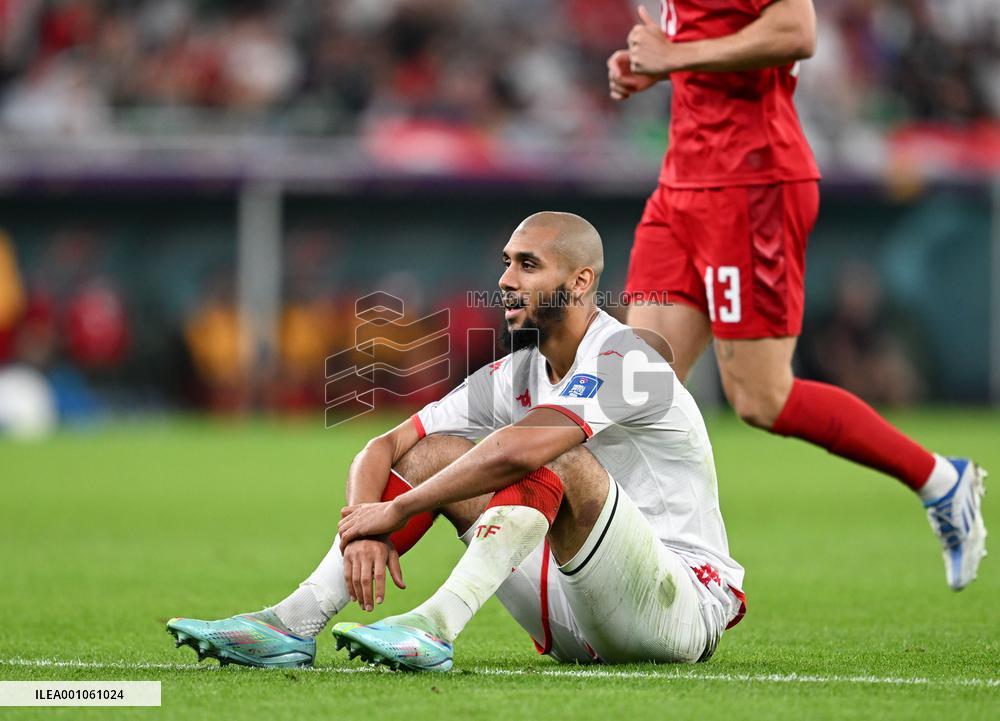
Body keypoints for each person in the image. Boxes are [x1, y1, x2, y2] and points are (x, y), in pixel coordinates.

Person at [167, 212, 745, 670]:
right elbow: (383, 448)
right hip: (575, 610)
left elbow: (522, 451)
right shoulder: (516, 374)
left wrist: (399, 509)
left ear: (581, 281)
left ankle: (434, 627)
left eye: (527, 265)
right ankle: (291, 623)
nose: (505, 280)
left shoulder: (633, 360)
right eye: (505, 263)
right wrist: (368, 526)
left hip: (678, 606)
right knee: (432, 450)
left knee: (553, 451)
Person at [607, 1, 986, 590]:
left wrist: (676, 56)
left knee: (762, 398)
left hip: (753, 185)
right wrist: (654, 67)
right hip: (681, 184)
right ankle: (655, 572)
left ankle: (940, 480)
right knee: (634, 387)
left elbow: (796, 30)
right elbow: (696, 38)